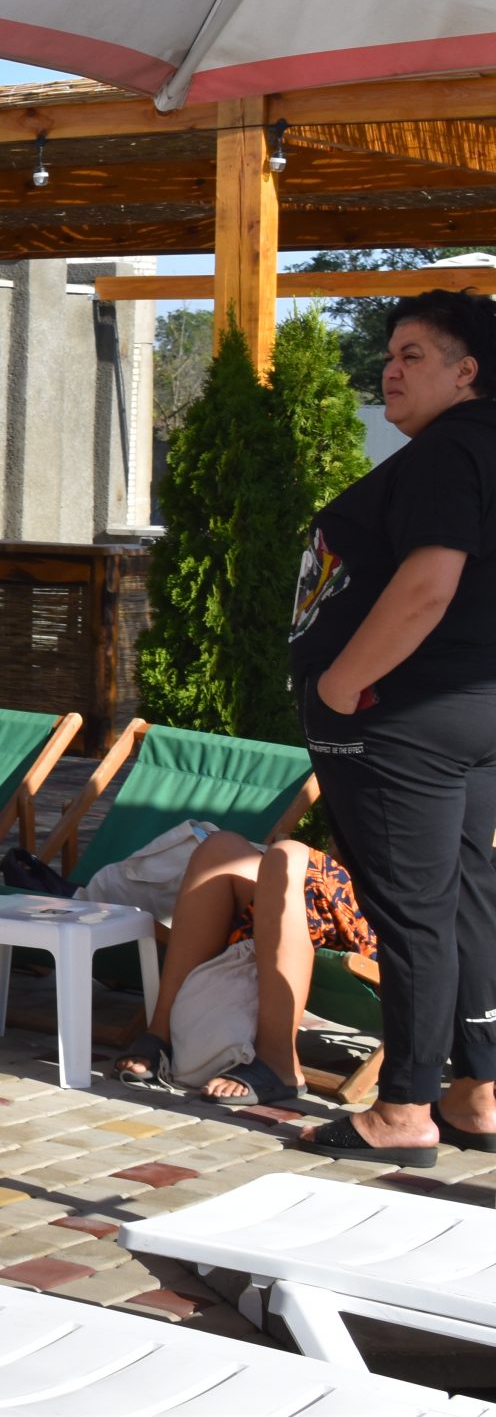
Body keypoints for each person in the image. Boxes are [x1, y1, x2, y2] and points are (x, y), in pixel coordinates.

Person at [286, 291, 496, 1165]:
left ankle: (404, 1107)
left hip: (401, 717)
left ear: (467, 371)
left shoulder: (449, 450)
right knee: (468, 894)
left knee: (412, 911)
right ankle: (477, 1090)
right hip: (469, 710)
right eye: (389, 354)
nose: (391, 370)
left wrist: (341, 683)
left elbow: (426, 585)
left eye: (414, 354)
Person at [109, 831, 375, 1105]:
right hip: (350, 897)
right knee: (220, 849)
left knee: (290, 856)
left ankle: (278, 1062)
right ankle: (161, 1032)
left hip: (390, 927)